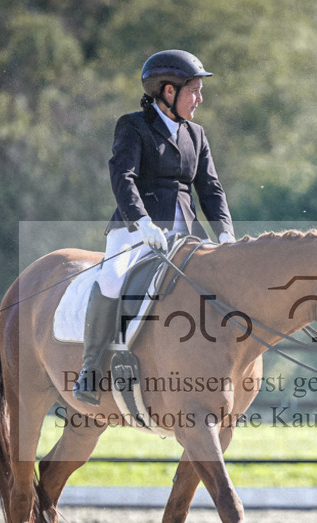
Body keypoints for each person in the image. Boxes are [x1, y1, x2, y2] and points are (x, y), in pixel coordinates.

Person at [74, 49, 236, 405]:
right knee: (113, 277)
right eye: (194, 90)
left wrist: (224, 231)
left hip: (186, 235)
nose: (199, 98)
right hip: (136, 231)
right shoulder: (133, 126)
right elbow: (123, 176)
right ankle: (89, 370)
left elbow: (210, 188)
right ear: (168, 91)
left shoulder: (196, 134)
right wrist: (142, 221)